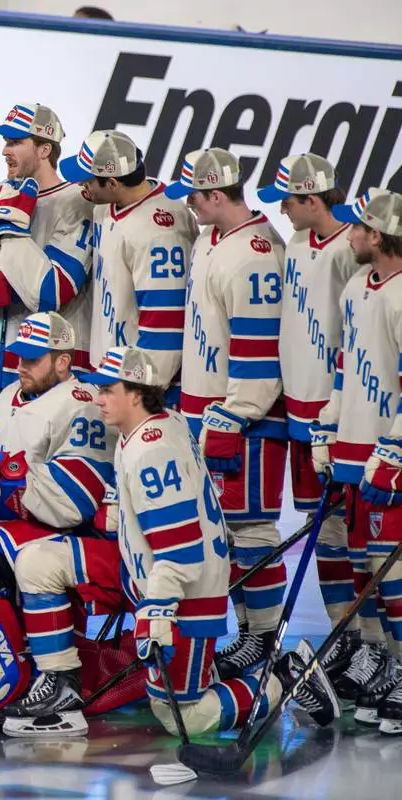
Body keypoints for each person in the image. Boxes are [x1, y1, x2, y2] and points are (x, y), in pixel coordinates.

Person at [86, 346, 337, 739]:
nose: (98, 399)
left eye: (107, 390)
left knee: (183, 716)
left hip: (185, 599)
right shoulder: (161, 424)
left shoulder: (151, 452)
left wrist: (158, 611)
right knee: (171, 698)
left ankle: (286, 676)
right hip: (185, 591)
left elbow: (180, 547)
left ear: (135, 394)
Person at [0, 312, 116, 731]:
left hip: (69, 534)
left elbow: (75, 501)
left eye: (33, 359)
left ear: (62, 361)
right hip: (7, 523)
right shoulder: (7, 394)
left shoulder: (81, 403)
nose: (21, 366)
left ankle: (36, 677)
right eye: (19, 356)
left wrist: (10, 480)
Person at [164, 148, 289, 681]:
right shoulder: (210, 238)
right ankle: (246, 630)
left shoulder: (256, 253)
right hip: (207, 411)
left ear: (217, 194)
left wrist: (236, 415)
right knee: (225, 533)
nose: (188, 206)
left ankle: (264, 638)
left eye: (194, 196)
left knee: (252, 528)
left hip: (244, 420)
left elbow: (258, 350)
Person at [257, 153, 363, 685]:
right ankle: (343, 636)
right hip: (298, 413)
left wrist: (338, 415)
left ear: (313, 199)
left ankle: (366, 642)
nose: (282, 209)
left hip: (337, 417)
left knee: (350, 534)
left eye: (289, 200)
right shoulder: (296, 243)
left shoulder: (350, 250)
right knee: (322, 532)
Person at [314, 189, 402, 732]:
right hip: (354, 454)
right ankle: (380, 659)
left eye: (358, 228)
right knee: (364, 568)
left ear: (378, 236)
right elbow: (346, 367)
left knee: (395, 575)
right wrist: (328, 424)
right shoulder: (355, 286)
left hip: (388, 460)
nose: (349, 235)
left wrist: (394, 452)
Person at [0, 103, 93, 400]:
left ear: (44, 149)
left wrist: (11, 233)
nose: (4, 151)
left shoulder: (77, 202)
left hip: (52, 364)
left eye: (15, 142)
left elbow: (52, 292)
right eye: (5, 142)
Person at [59, 130, 197, 390]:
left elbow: (165, 327)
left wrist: (140, 392)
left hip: (133, 383)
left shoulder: (160, 233)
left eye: (87, 180)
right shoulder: (106, 204)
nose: (81, 186)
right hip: (109, 369)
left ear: (113, 183)